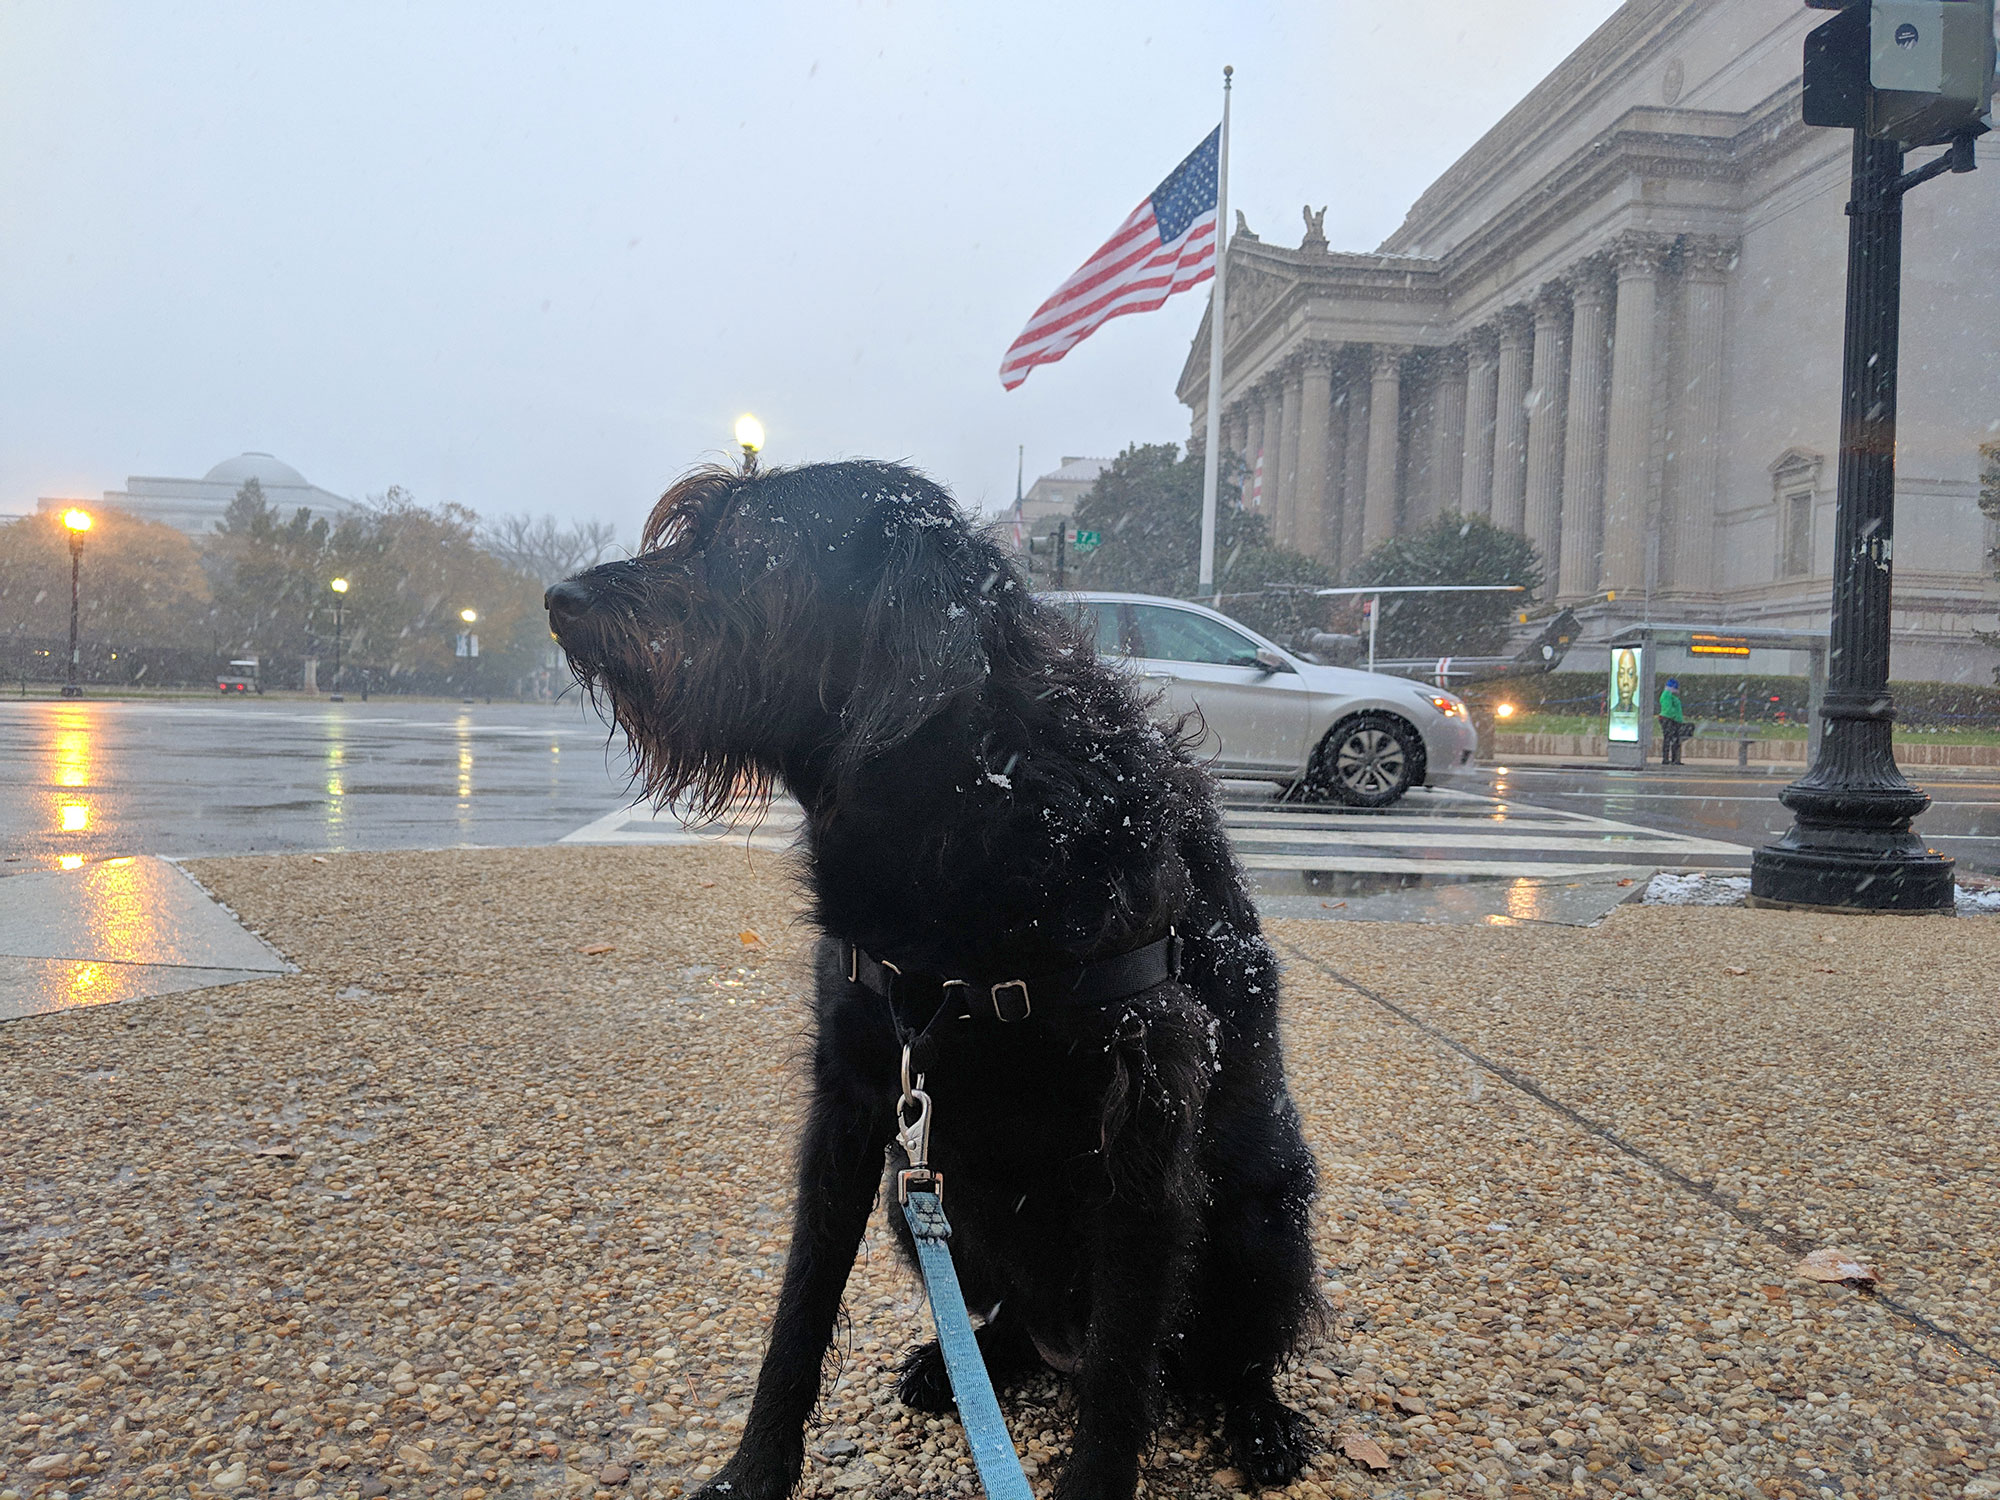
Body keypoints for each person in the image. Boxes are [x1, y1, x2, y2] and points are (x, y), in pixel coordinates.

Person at [1658, 676, 1687, 765]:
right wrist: (1675, 717)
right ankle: (1669, 759)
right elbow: (1668, 709)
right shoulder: (1667, 695)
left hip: (1671, 719)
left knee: (1673, 739)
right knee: (1670, 739)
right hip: (1669, 719)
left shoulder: (1669, 695)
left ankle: (1673, 759)